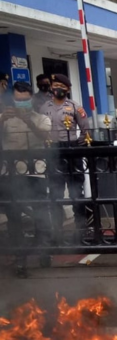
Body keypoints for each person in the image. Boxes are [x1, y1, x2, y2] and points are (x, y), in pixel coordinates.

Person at [0, 82, 52, 277]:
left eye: (25, 100)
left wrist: (28, 121)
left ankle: (44, 252)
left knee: (40, 214)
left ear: (32, 99)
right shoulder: (5, 120)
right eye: (18, 100)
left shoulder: (41, 119)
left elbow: (45, 136)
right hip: (11, 174)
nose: (21, 104)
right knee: (14, 218)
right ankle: (20, 260)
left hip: (36, 173)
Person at [39, 74, 90, 240]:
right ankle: (57, 229)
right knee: (55, 192)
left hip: (71, 150)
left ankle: (81, 228)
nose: (57, 88)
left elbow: (85, 130)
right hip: (53, 151)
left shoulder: (75, 107)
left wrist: (77, 145)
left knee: (76, 191)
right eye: (55, 85)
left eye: (61, 85)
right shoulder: (44, 107)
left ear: (67, 88)